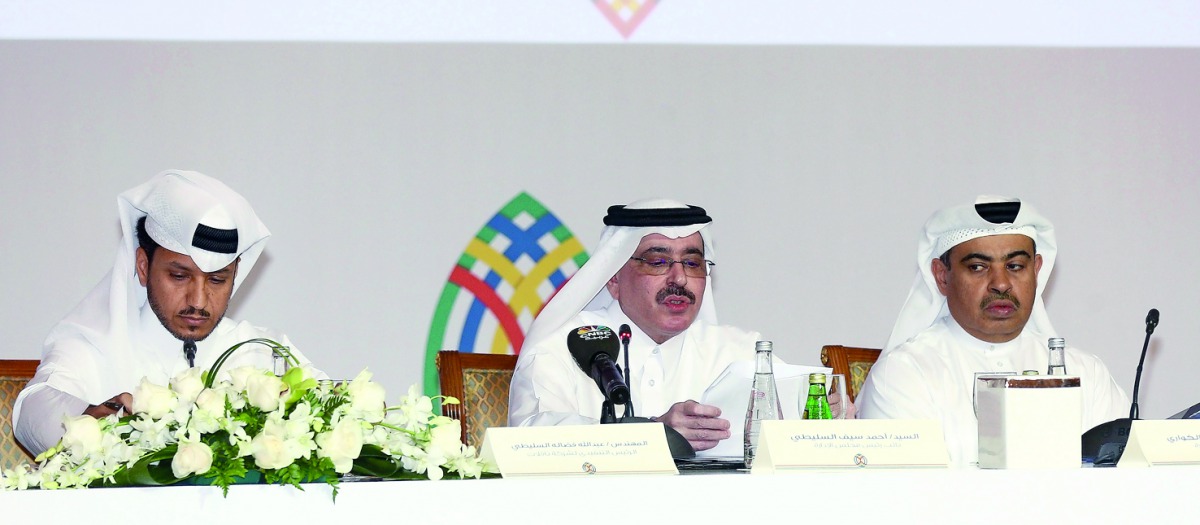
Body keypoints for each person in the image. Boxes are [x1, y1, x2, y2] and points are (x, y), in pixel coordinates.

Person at [13, 170, 323, 456]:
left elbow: (338, 410)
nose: (199, 300)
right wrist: (91, 420)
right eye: (179, 276)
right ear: (143, 266)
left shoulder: (258, 351)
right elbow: (33, 410)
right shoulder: (94, 346)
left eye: (217, 279)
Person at [508, 198, 842, 452]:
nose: (679, 278)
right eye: (658, 262)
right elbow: (529, 438)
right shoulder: (563, 345)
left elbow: (803, 419)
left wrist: (827, 413)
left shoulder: (740, 350)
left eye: (693, 263)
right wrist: (653, 435)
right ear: (613, 278)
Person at [856, 195, 1128, 465]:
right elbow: (908, 496)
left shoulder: (1087, 374)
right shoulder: (905, 374)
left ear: (1036, 271)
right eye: (978, 267)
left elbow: (1128, 479)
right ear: (942, 276)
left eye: (1015, 266)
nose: (1000, 283)